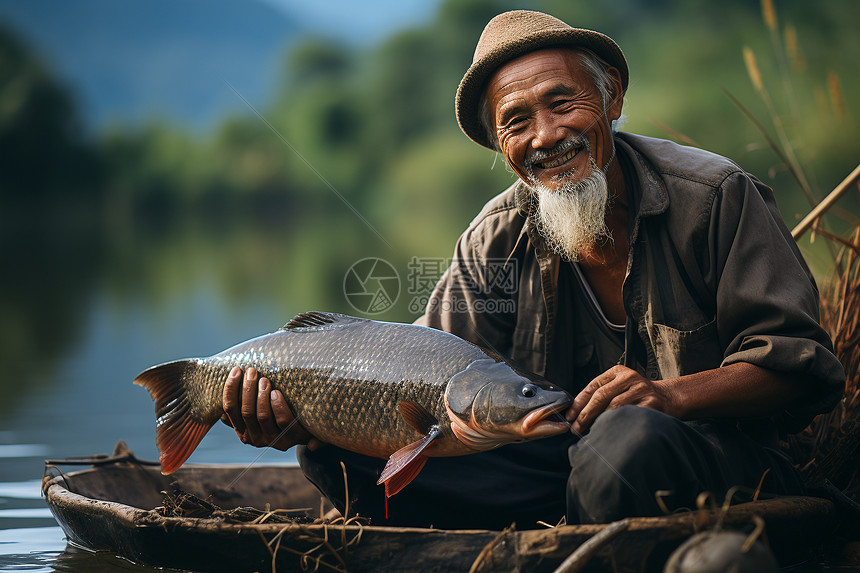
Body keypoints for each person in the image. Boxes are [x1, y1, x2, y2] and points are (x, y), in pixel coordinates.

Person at [221, 10, 845, 528]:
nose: (545, 136)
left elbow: (802, 368)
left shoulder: (714, 198)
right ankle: (562, 528)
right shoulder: (495, 238)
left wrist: (670, 397)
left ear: (612, 99)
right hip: (555, 468)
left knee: (627, 440)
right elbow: (420, 373)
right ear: (502, 147)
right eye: (516, 122)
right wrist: (301, 412)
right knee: (338, 456)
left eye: (562, 103)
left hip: (704, 464)